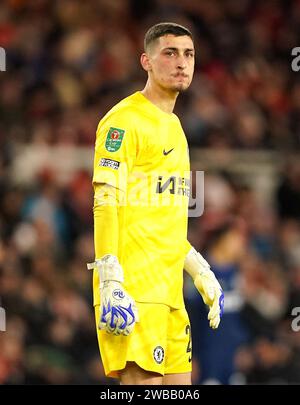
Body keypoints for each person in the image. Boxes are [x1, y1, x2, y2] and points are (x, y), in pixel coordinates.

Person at [87, 22, 224, 385]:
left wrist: (198, 269)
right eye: (170, 53)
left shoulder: (176, 128)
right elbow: (105, 200)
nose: (182, 63)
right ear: (146, 61)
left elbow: (163, 214)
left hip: (169, 291)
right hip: (134, 288)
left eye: (189, 54)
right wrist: (110, 279)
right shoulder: (123, 121)